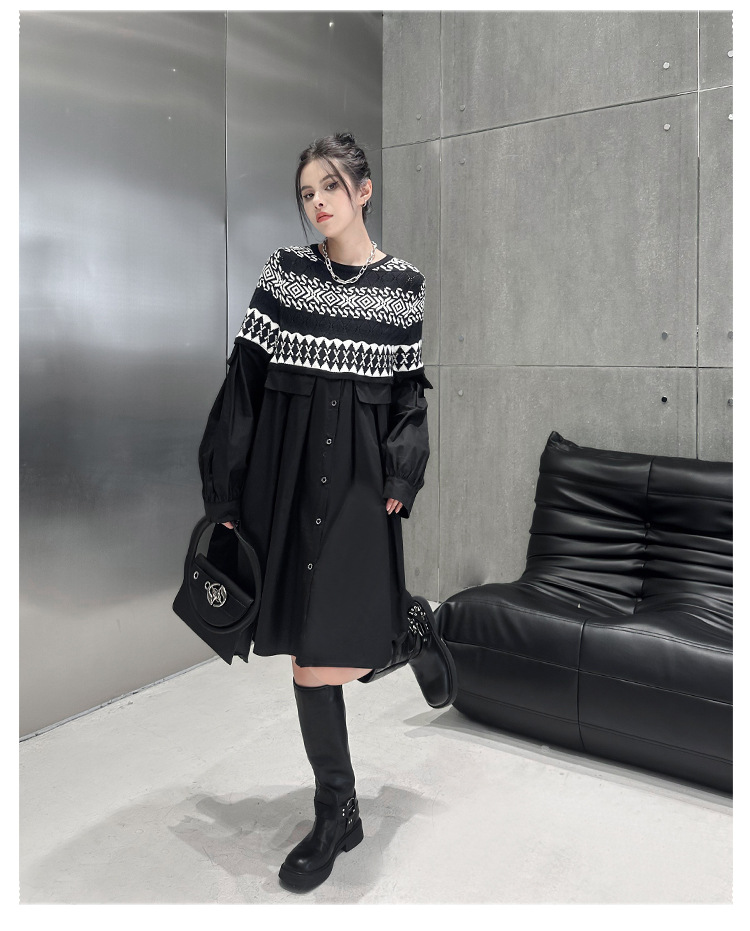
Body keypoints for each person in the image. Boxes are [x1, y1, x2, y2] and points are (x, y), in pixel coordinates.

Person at [198, 131, 457, 893]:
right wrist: (226, 489)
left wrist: (402, 473)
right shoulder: (285, 274)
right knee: (308, 653)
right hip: (286, 482)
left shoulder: (402, 286)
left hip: (358, 486)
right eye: (307, 192)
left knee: (325, 652)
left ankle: (399, 633)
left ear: (363, 190)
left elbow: (408, 395)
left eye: (331, 187)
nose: (317, 202)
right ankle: (339, 807)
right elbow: (244, 384)